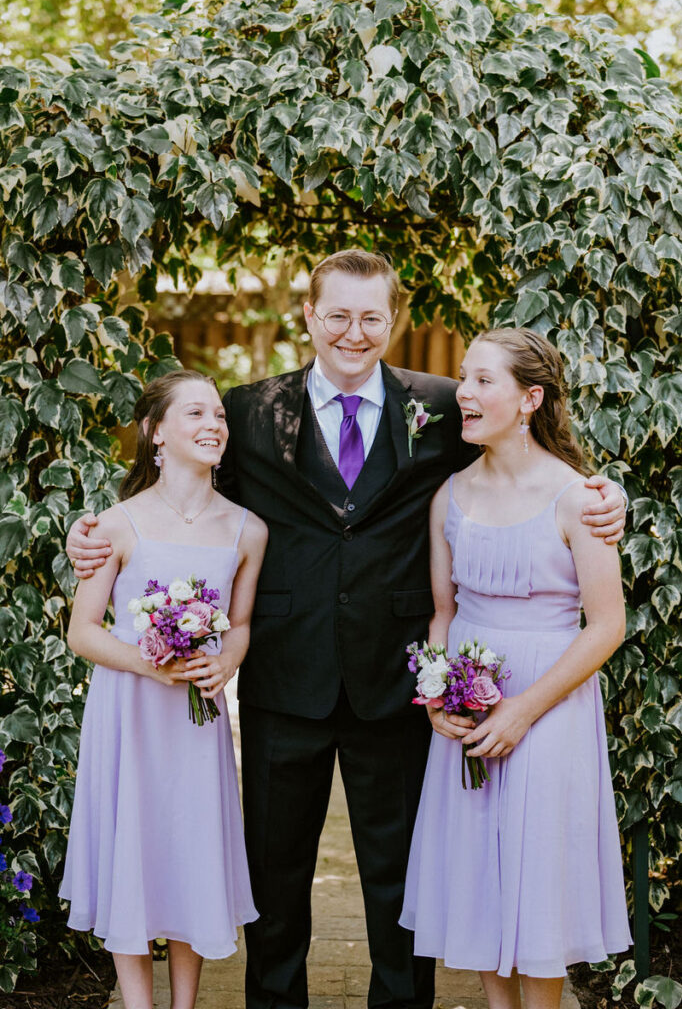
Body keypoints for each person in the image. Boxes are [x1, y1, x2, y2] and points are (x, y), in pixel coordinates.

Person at [66, 251, 627, 1009]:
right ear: (307, 315)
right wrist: (87, 532)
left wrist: (606, 493)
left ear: (393, 319)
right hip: (282, 676)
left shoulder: (445, 406)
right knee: (275, 881)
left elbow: (524, 456)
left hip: (394, 682)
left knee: (400, 885)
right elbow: (179, 494)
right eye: (337, 314)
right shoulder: (246, 410)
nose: (353, 333)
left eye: (370, 317)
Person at [399, 328, 631, 1009]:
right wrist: (436, 689)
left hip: (547, 704)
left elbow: (607, 624)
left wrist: (522, 710)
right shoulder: (450, 495)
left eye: (481, 381)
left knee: (537, 881)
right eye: (463, 378)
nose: (462, 393)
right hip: (472, 694)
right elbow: (443, 613)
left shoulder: (578, 499)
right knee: (477, 879)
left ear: (529, 399)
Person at [61, 370, 267, 1009]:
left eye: (220, 418)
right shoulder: (116, 526)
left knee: (189, 848)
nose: (214, 426)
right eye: (197, 415)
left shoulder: (247, 530)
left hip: (195, 718)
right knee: (135, 844)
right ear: (156, 432)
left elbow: (240, 626)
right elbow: (81, 632)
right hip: (131, 712)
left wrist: (225, 662)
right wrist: (149, 665)